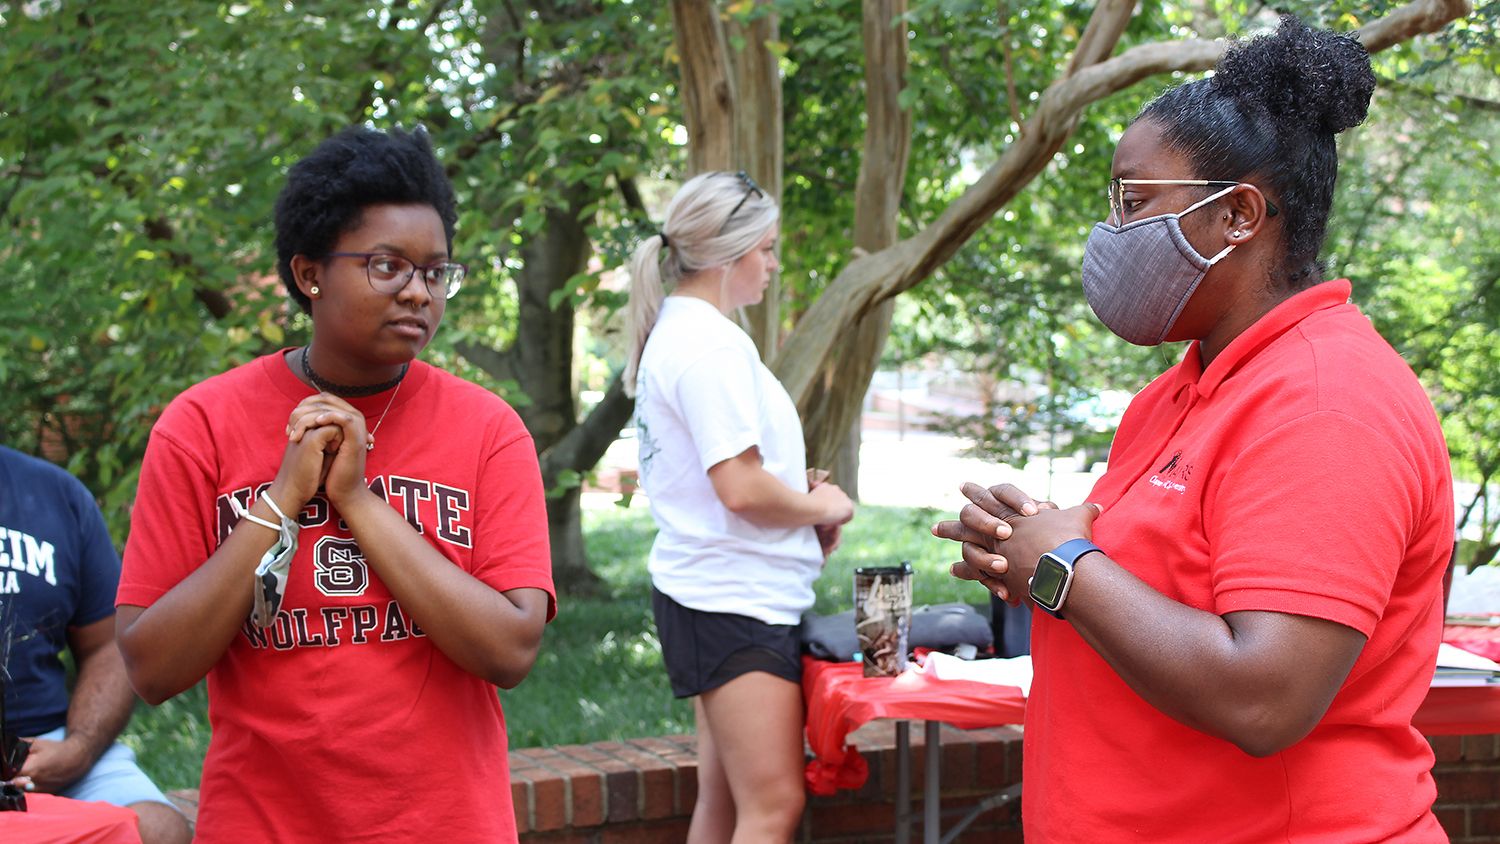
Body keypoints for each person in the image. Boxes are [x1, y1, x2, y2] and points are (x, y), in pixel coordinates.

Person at [934, 17, 1453, 842]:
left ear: (1239, 214)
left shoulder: (1326, 401)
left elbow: (1263, 696)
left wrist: (1066, 566)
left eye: (1134, 202)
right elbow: (1154, 595)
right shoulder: (1178, 392)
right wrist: (1034, 555)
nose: (1111, 232)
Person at [114, 126, 555, 842]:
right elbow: (151, 666)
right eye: (388, 266)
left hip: (446, 825)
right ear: (310, 272)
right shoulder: (200, 425)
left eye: (436, 272)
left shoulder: (488, 429)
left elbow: (509, 650)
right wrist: (282, 500)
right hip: (261, 825)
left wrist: (355, 501)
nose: (418, 291)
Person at [624, 170, 855, 842]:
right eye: (770, 248)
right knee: (773, 806)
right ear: (732, 253)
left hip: (723, 596)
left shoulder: (691, 334)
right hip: (732, 603)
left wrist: (797, 492)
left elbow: (736, 477)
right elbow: (741, 489)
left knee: (723, 803)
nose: (774, 264)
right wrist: (825, 506)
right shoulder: (708, 346)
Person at [0, 445, 191, 843]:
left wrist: (80, 748)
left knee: (158, 830)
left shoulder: (56, 494)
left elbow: (110, 647)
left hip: (45, 746)